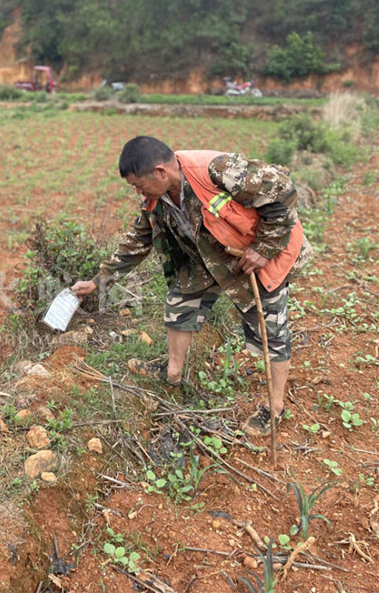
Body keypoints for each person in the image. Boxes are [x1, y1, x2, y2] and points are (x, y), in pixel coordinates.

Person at [72, 136, 312, 436]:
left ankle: (274, 408)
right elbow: (138, 241)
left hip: (257, 258)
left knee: (269, 332)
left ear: (160, 172)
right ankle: (172, 372)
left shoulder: (218, 170)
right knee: (180, 303)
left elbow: (284, 191)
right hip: (209, 258)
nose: (137, 191)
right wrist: (99, 281)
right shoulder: (156, 198)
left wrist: (264, 247)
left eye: (138, 184)